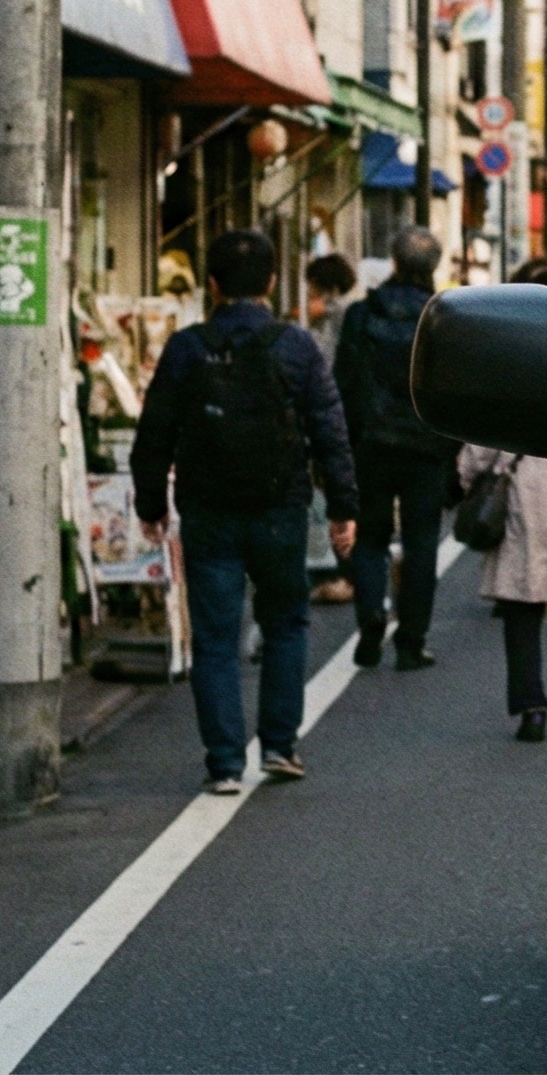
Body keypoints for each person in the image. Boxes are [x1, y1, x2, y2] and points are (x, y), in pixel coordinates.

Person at [132, 229, 357, 795]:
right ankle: (279, 746)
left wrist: (150, 503)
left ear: (211, 286)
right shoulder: (296, 346)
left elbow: (154, 432)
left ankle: (225, 763)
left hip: (207, 510)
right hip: (281, 507)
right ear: (274, 282)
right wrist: (343, 509)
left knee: (215, 637)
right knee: (285, 622)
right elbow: (330, 430)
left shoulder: (187, 347)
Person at [334, 227, 460, 670]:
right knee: (421, 544)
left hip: (371, 443)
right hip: (426, 446)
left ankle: (371, 613)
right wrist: (453, 451)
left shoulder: (362, 314)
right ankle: (411, 641)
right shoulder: (444, 318)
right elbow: (455, 392)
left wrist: (342, 446)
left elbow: (343, 384)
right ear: (434, 266)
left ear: (393, 261)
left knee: (370, 537)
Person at [459, 443, 547, 741]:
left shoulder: (512, 394)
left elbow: (481, 446)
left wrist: (466, 478)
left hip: (525, 488)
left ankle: (532, 709)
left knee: (521, 608)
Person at [301, 253, 361, 603]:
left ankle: (346, 574)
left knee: (337, 488)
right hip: (346, 409)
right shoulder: (349, 311)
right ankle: (349, 573)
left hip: (331, 407)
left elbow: (321, 358)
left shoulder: (334, 314)